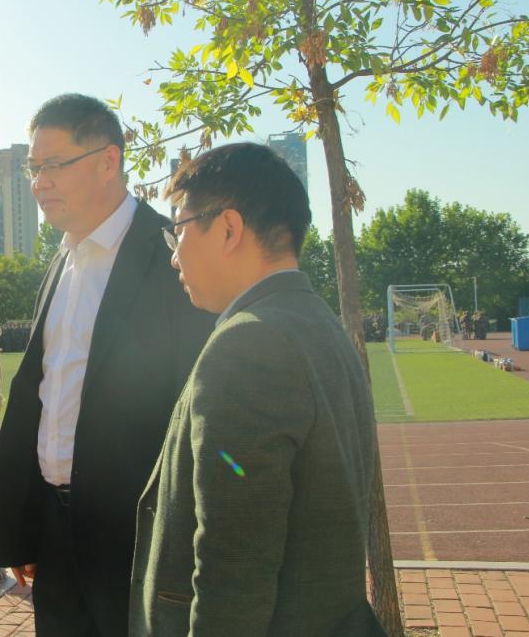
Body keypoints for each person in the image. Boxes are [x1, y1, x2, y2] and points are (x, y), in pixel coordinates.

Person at [129, 142, 384, 636]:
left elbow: (232, 569)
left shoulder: (248, 344)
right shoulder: (317, 322)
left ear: (228, 228)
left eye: (178, 230)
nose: (174, 256)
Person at [0, 94, 213, 636]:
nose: (40, 182)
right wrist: (29, 524)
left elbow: (199, 410)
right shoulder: (62, 259)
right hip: (55, 535)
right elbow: (44, 398)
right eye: (33, 169)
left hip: (139, 540)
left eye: (54, 165)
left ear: (109, 161)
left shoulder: (172, 255)